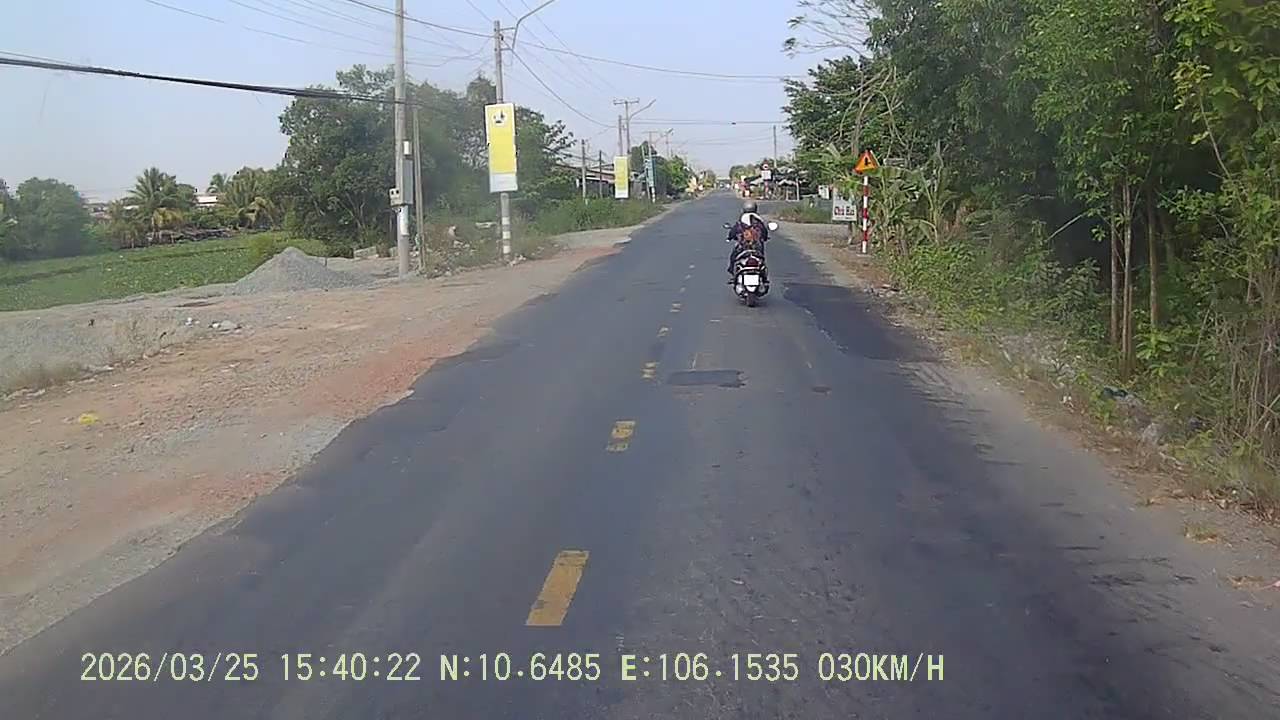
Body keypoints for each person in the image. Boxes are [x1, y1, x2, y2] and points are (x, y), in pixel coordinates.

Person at [727, 200, 769, 280]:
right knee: (761, 260)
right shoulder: (759, 221)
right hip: (757, 248)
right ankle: (764, 277)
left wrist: (730, 237)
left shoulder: (741, 221)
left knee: (733, 257)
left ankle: (733, 275)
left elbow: (734, 231)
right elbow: (764, 232)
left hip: (742, 248)